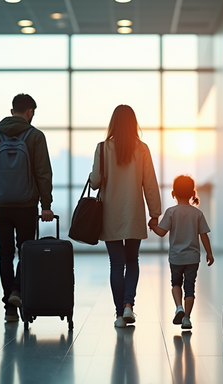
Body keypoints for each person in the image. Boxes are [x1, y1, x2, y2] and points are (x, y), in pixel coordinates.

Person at [0, 93, 54, 323]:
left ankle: (9, 307)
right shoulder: (35, 136)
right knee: (26, 251)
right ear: (30, 113)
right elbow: (43, 173)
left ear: (12, 112)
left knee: (5, 254)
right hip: (27, 205)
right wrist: (46, 205)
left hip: (0, 204)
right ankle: (17, 291)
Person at [89, 104, 161, 328]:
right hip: (133, 213)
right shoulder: (142, 149)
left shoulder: (102, 149)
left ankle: (120, 314)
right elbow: (149, 183)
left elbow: (95, 182)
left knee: (116, 263)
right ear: (133, 123)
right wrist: (154, 213)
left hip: (110, 214)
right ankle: (129, 304)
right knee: (132, 261)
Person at [149, 175, 213, 330]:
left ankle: (179, 307)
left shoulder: (171, 212)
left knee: (176, 283)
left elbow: (161, 232)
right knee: (190, 287)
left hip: (176, 258)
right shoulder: (197, 214)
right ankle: (187, 319)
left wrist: (152, 225)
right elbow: (204, 235)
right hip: (192, 258)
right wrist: (209, 253)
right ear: (192, 193)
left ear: (173, 193)